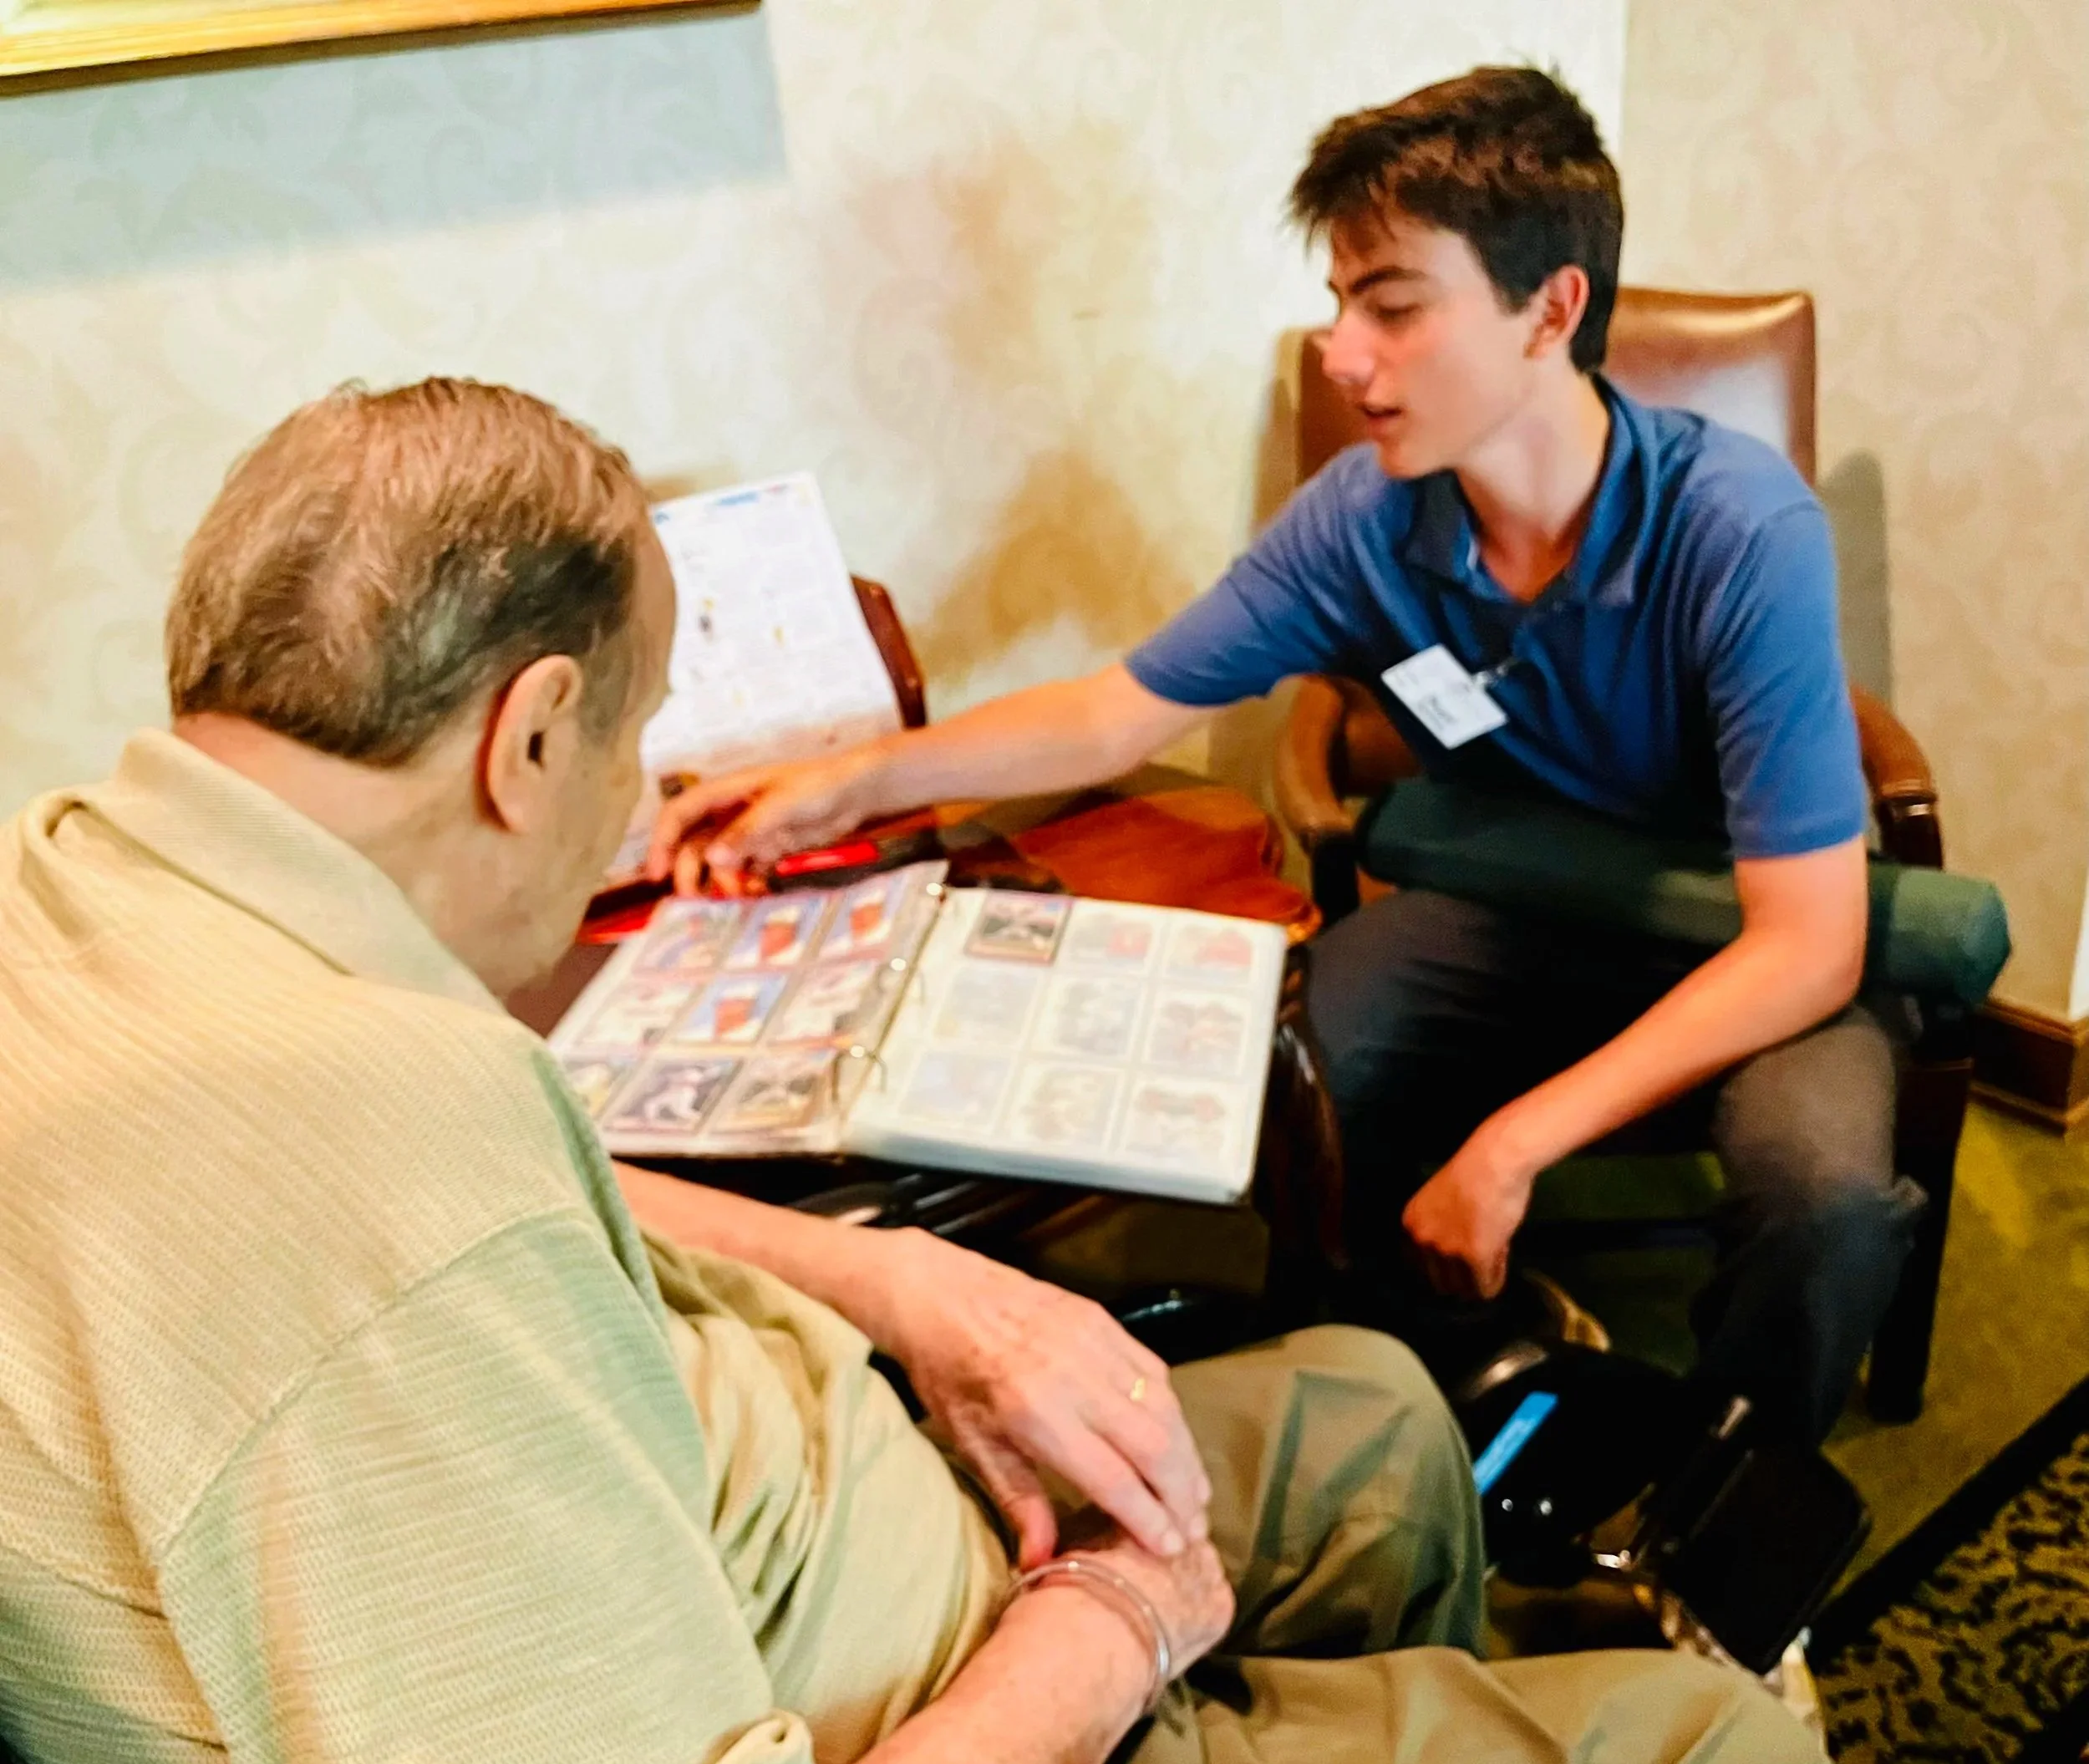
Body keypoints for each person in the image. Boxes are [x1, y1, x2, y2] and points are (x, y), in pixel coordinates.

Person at [0, 378, 1835, 1764]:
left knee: (1369, 1408)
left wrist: (899, 1283)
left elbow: (532, 1198)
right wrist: (1107, 1635)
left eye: (1386, 301)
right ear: (530, 734)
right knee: (1721, 1755)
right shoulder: (396, 1233)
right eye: (632, 746)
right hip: (917, 1697)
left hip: (843, 1502)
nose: (627, 804)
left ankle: (1307, 1718)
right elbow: (1125, 700)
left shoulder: (93, 893)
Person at [648, 66, 1921, 1445]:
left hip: (1729, 934)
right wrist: (839, 779)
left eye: (1393, 306)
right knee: (1299, 1061)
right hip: (1515, 904)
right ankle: (1410, 1397)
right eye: (1336, 302)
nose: (1341, 352)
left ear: (1551, 308)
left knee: (1826, 1192)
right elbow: (1113, 709)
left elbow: (1809, 944)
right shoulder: (1367, 517)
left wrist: (1513, 1144)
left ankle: (1729, 1504)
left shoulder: (1739, 527)